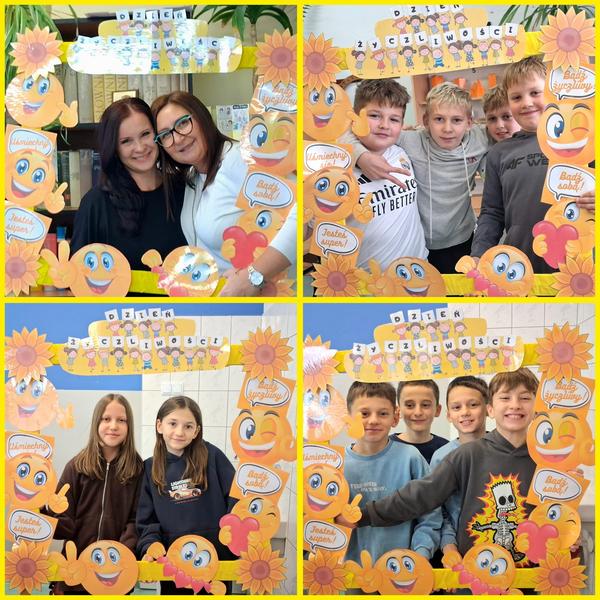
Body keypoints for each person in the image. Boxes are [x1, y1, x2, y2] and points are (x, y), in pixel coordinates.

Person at [337, 368, 539, 568]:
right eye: (505, 398)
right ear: (491, 408)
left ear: (537, 406)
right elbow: (419, 495)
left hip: (533, 576)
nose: (515, 405)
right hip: (472, 574)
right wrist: (364, 515)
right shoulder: (466, 455)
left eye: (524, 398)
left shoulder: (546, 460)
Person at [151, 92, 296, 296]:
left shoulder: (240, 158)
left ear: (202, 117)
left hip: (265, 301)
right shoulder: (193, 176)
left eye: (183, 123)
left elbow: (303, 213)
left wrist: (253, 277)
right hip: (224, 302)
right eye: (166, 135)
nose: (177, 138)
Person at [471, 57, 595, 273]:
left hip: (578, 269)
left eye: (535, 93)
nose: (526, 103)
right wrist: (479, 254)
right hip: (520, 266)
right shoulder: (499, 153)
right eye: (516, 97)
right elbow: (492, 212)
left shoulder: (581, 141)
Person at [350, 82, 488, 273]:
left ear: (469, 123)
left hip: (463, 237)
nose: (447, 129)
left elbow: (507, 128)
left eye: (457, 120)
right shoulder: (410, 140)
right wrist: (361, 156)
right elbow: (346, 130)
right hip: (423, 243)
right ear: (426, 120)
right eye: (439, 119)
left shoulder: (480, 139)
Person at [70, 97, 187, 271]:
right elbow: (77, 275)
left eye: (145, 134)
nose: (140, 148)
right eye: (126, 141)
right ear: (114, 148)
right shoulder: (96, 203)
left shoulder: (183, 188)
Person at [136, 396, 236, 594]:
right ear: (159, 426)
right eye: (173, 423)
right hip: (174, 565)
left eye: (188, 426)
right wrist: (150, 544)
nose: (180, 432)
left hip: (216, 560)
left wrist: (234, 537)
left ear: (196, 431)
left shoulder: (213, 457)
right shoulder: (149, 468)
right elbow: (147, 520)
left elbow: (236, 499)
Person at [46, 394, 143, 594]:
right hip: (75, 574)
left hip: (116, 574)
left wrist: (120, 555)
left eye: (121, 420)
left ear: (129, 426)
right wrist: (43, 511)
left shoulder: (137, 469)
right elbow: (63, 525)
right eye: (106, 419)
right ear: (96, 422)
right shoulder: (76, 466)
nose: (113, 426)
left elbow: (136, 520)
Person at [343, 382, 441, 565]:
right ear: (348, 417)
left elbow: (430, 515)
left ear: (395, 418)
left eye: (383, 413)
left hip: (403, 570)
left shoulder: (410, 458)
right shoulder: (335, 464)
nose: (373, 420)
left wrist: (420, 555)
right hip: (349, 572)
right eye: (364, 414)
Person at [348, 79, 427, 270]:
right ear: (355, 118)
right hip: (365, 280)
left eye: (394, 119)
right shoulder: (338, 167)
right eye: (374, 116)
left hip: (417, 271)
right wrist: (360, 156)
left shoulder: (403, 151)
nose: (384, 125)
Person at [430, 376, 488, 560]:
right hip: (458, 553)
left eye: (473, 405)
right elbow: (439, 510)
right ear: (448, 415)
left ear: (488, 408)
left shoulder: (503, 450)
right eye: (457, 407)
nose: (465, 412)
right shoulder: (441, 457)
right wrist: (449, 547)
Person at [392, 379, 448, 463]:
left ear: (437, 410)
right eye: (410, 405)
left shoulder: (447, 450)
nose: (418, 412)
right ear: (398, 410)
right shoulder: (385, 448)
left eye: (425, 405)